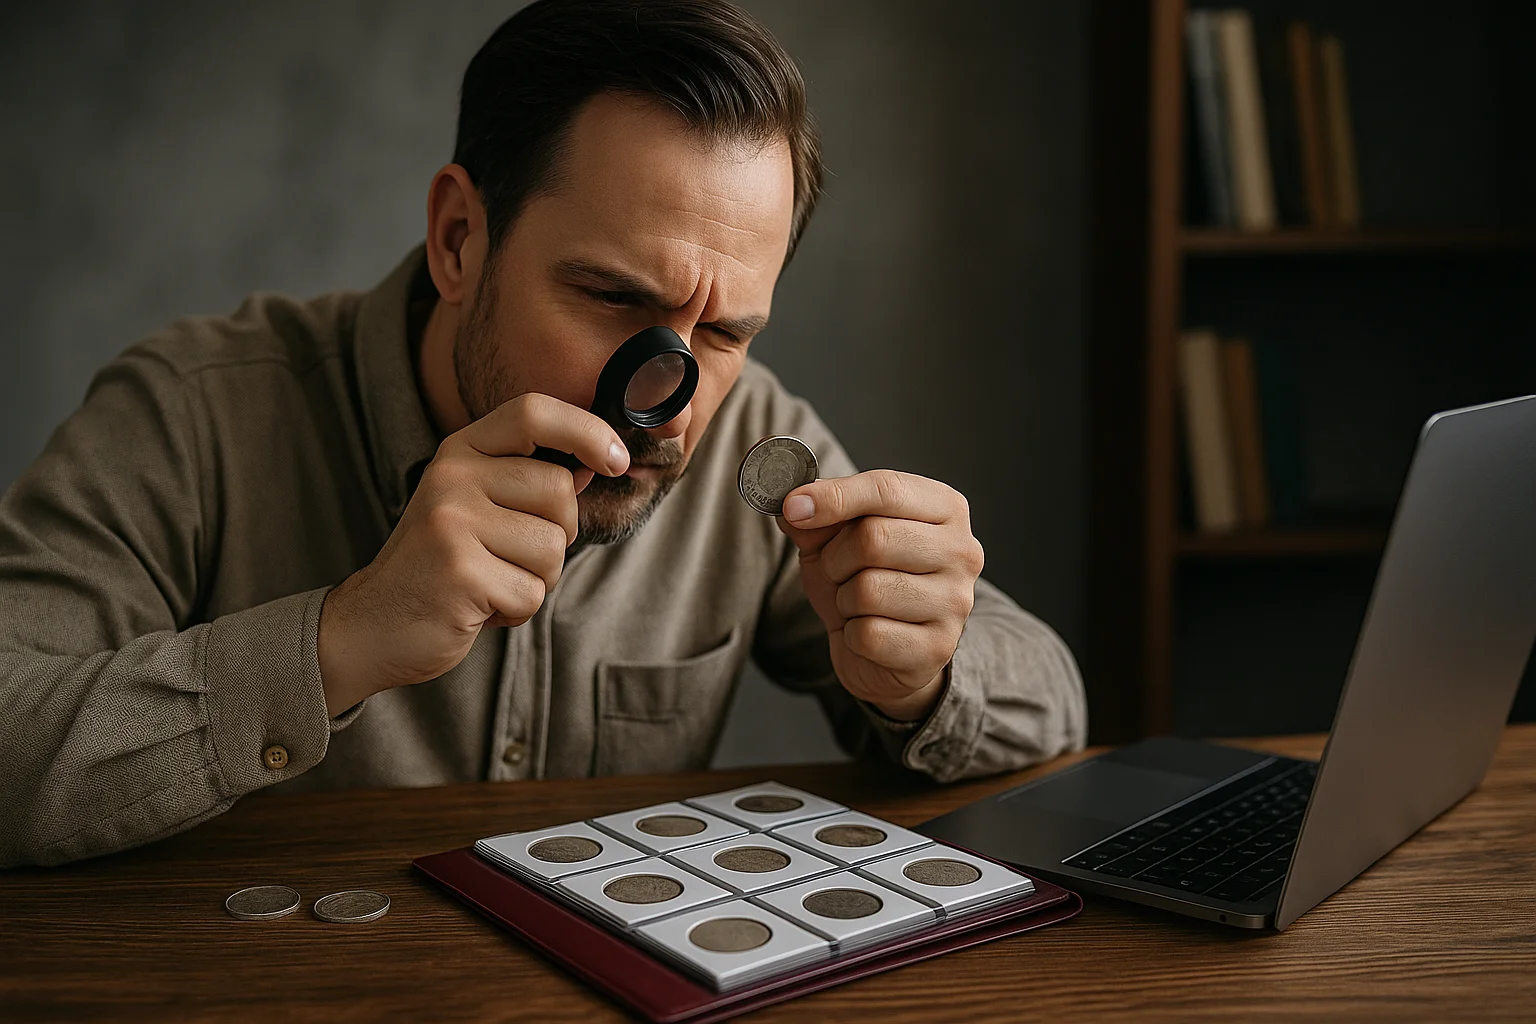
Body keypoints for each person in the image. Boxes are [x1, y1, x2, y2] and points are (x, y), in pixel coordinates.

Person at [0, 0, 1085, 868]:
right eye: (613, 298)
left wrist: (925, 675)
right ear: (460, 238)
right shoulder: (193, 412)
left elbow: (1052, 699)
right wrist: (339, 640)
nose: (668, 394)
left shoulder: (749, 431)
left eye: (724, 331)